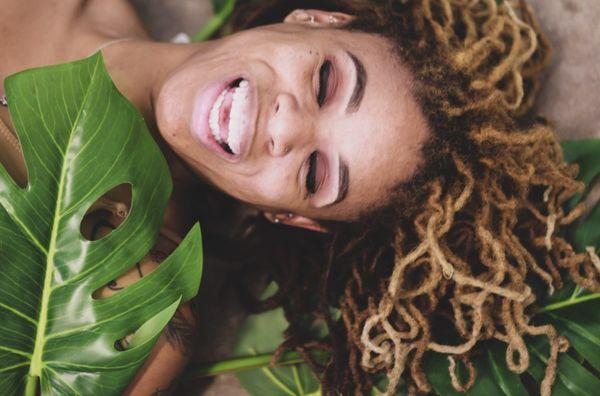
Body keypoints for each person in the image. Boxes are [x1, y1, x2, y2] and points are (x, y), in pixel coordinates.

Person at [0, 0, 598, 395]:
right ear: (314, 20)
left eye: (314, 175)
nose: (286, 128)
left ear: (284, 214)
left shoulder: (135, 313)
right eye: (326, 82)